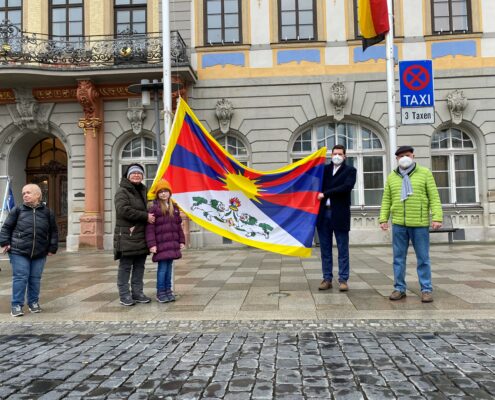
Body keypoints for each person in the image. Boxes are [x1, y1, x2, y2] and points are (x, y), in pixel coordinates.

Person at [379, 145, 443, 303]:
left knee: (423, 258)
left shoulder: (425, 173)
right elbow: (386, 199)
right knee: (398, 258)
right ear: (396, 159)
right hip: (399, 223)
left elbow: (434, 197)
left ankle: (426, 289)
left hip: (419, 223)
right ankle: (399, 288)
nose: (404, 158)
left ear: (413, 156)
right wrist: (383, 219)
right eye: (401, 156)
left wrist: (437, 217)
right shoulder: (392, 176)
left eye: (407, 155)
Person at [0, 184, 58, 317]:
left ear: (37, 195)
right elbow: (6, 228)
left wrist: (52, 247)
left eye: (28, 193)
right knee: (20, 277)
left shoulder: (47, 212)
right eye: (23, 193)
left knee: (35, 278)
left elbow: (53, 231)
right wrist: (5, 242)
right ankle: (16, 305)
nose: (25, 195)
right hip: (18, 250)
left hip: (40, 251)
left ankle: (33, 302)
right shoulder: (17, 210)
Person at [317, 144, 357, 292]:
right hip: (323, 214)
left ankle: (343, 280)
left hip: (340, 214)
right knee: (325, 250)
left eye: (340, 154)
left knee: (342, 249)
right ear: (331, 155)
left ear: (345, 156)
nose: (337, 156)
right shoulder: (324, 170)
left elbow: (346, 187)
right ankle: (327, 279)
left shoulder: (350, 170)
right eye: (335, 154)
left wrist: (325, 193)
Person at [114, 163, 155, 306]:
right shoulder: (122, 191)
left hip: (141, 234)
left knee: (139, 266)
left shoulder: (143, 190)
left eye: (139, 173)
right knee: (125, 266)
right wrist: (145, 216)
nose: (136, 175)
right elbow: (123, 210)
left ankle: (137, 293)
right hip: (127, 235)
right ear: (128, 175)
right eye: (133, 173)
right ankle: (124, 295)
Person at [146, 180, 185, 303]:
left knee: (169, 269)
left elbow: (178, 227)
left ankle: (168, 291)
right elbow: (150, 229)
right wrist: (152, 244)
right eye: (161, 192)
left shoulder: (174, 208)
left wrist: (181, 241)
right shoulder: (154, 208)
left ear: (169, 193)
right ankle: (160, 292)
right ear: (157, 194)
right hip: (161, 244)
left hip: (172, 243)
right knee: (162, 269)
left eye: (165, 191)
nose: (163, 194)